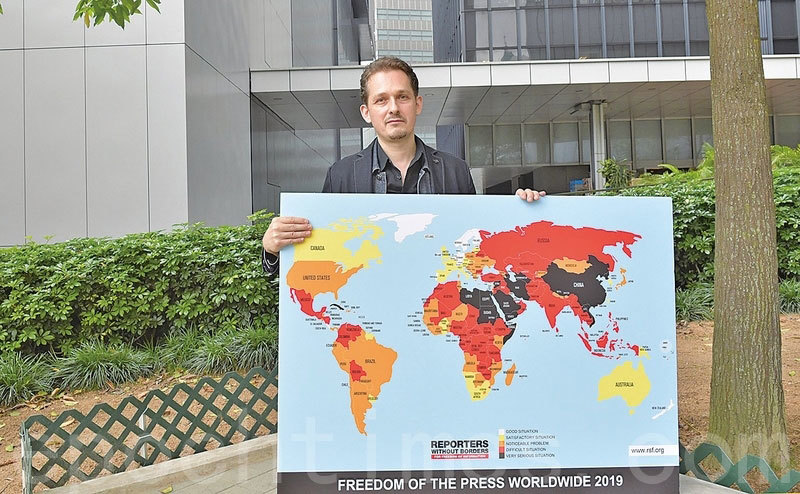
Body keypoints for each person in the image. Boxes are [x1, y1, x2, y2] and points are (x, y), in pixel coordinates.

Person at [262, 57, 544, 273]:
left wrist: (522, 213)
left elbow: (477, 245)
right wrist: (272, 251)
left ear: (417, 104)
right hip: (371, 315)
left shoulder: (455, 170)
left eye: (402, 97)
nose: (393, 108)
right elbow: (323, 255)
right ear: (366, 112)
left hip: (439, 311)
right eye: (381, 100)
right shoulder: (342, 174)